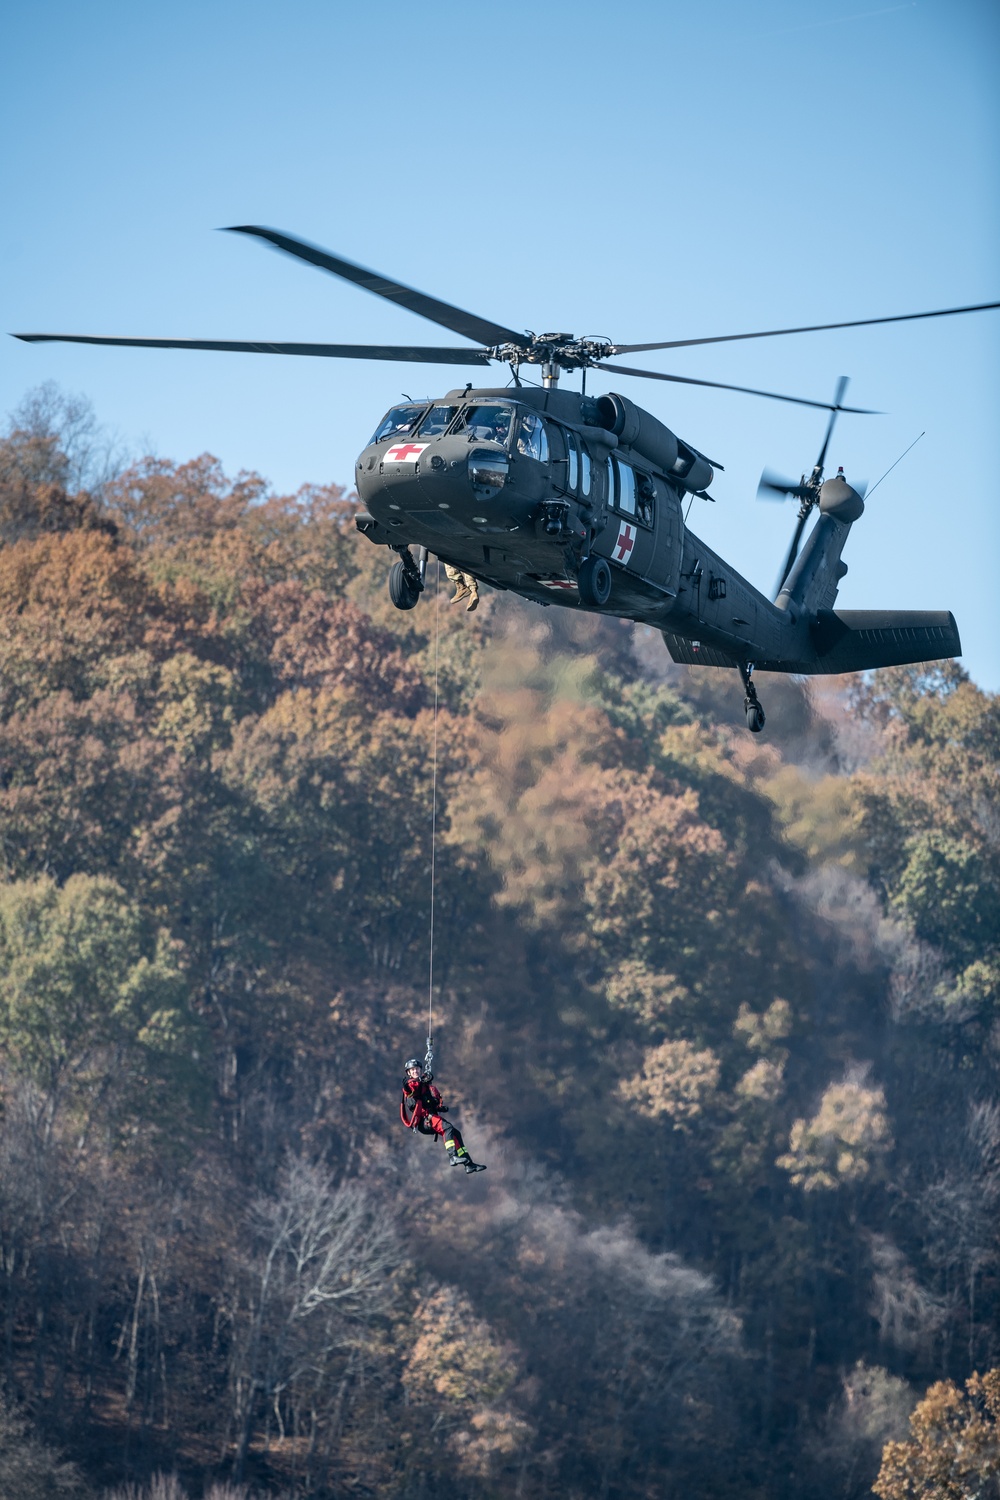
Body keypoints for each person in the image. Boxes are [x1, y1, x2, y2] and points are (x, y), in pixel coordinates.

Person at [400, 1058, 486, 1174]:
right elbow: (411, 1091)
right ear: (409, 1073)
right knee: (448, 1128)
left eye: (417, 1069)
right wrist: (408, 1086)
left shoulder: (424, 1085)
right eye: (413, 1070)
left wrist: (439, 1106)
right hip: (425, 1121)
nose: (415, 1071)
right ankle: (452, 1157)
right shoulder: (412, 1085)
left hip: (431, 1117)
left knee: (455, 1133)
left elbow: (428, 1099)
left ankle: (469, 1164)